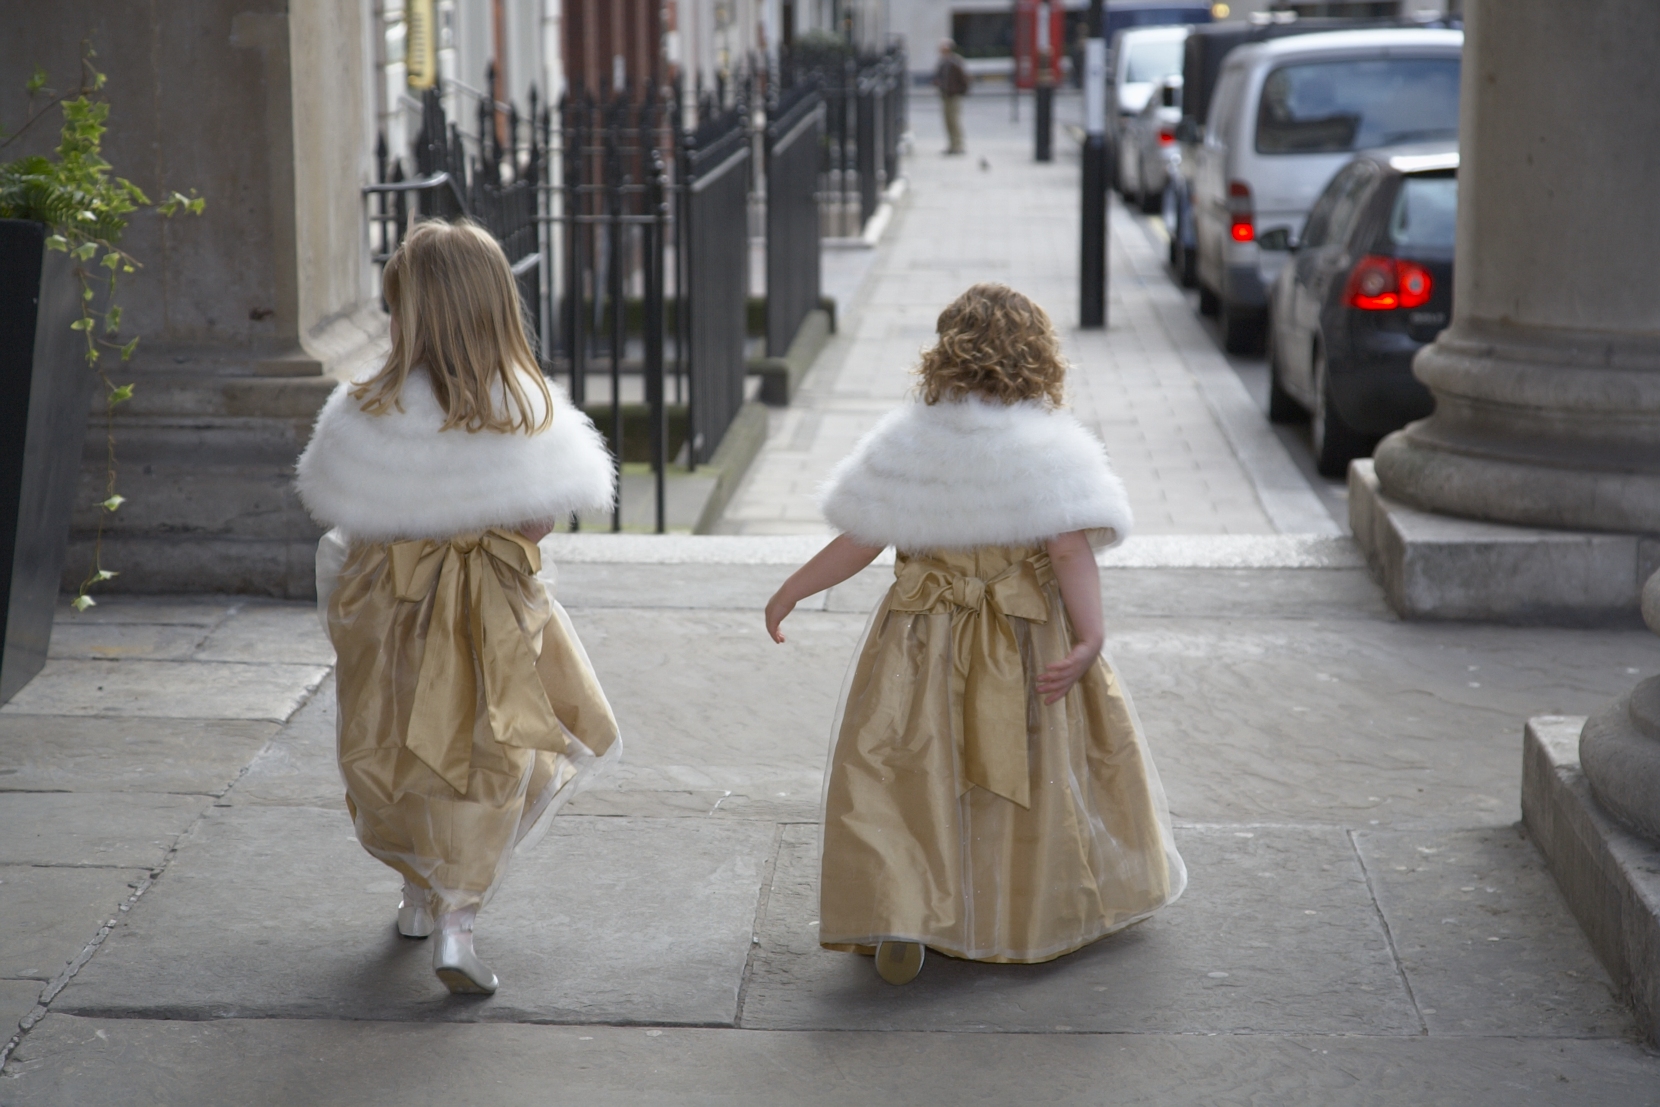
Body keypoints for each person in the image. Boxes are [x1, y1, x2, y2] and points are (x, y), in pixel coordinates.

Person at [764, 283, 1186, 985]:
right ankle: (1026, 907)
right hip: (1025, 641)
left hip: (922, 641)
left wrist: (792, 591)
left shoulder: (912, 442)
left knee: (907, 770)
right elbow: (1068, 551)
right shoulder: (1048, 448)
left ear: (943, 358)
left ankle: (906, 906)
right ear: (1038, 361)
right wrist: (1089, 638)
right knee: (1032, 772)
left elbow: (863, 536)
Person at [295, 220, 619, 995]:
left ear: (405, 313)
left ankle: (416, 886)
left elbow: (346, 517)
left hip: (390, 614)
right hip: (490, 622)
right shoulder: (524, 405)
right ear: (497, 307)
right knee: (490, 754)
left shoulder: (363, 408)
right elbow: (536, 521)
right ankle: (456, 919)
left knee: (398, 746)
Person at [933, 38, 971, 154]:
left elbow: (964, 79)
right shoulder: (943, 62)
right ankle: (951, 144)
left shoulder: (955, 62)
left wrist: (961, 91)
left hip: (954, 95)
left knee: (954, 120)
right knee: (948, 120)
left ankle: (959, 145)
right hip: (945, 94)